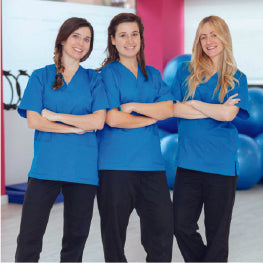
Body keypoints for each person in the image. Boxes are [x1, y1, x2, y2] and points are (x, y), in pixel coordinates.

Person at [15, 17, 108, 262]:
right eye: (76, 36)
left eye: (87, 39)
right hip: (46, 166)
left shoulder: (94, 79)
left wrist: (56, 117)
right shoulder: (41, 76)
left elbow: (97, 122)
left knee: (76, 238)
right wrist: (74, 127)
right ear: (63, 39)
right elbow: (34, 121)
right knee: (29, 237)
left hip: (83, 169)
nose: (81, 43)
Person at [97, 13, 174, 262]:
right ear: (113, 40)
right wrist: (150, 117)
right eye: (123, 35)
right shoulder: (108, 74)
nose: (130, 40)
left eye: (134, 34)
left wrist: (132, 106)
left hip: (152, 166)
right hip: (115, 167)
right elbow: (113, 118)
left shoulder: (153, 74)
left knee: (162, 231)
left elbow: (168, 108)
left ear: (141, 37)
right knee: (114, 237)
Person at [171, 15, 249, 262]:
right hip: (188, 163)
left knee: (217, 235)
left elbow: (229, 114)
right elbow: (174, 108)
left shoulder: (237, 78)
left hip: (221, 165)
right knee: (180, 225)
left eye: (214, 34)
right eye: (203, 36)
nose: (208, 41)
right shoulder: (185, 72)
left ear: (224, 37)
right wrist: (212, 108)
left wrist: (194, 103)